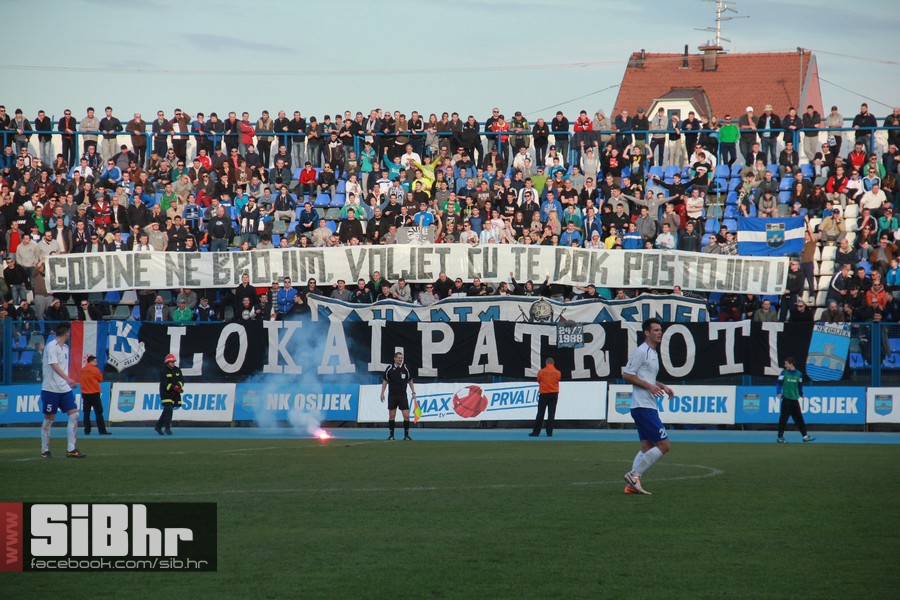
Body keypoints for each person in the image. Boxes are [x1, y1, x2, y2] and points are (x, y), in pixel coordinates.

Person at [621, 318, 674, 495]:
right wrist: (650, 387)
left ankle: (631, 486)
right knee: (664, 445)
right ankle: (634, 475)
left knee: (647, 447)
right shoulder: (641, 351)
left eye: (661, 330)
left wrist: (661, 386)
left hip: (647, 405)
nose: (660, 332)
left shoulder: (653, 352)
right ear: (647, 333)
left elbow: (647, 378)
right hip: (642, 406)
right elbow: (627, 375)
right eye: (656, 330)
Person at [40, 323, 86, 458]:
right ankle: (45, 449)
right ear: (67, 333)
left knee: (74, 415)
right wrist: (68, 379)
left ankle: (71, 449)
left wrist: (67, 381)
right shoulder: (51, 347)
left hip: (64, 389)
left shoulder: (65, 348)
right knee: (49, 419)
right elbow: (54, 365)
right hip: (51, 389)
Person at [775, 357, 816, 444]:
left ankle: (805, 436)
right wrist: (778, 392)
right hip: (786, 399)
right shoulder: (783, 372)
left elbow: (799, 385)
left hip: (794, 399)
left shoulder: (799, 374)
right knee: (783, 418)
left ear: (791, 364)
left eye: (786, 363)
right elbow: (779, 383)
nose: (785, 365)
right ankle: (780, 437)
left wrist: (801, 394)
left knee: (799, 418)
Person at [380, 351, 416, 441]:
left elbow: (410, 380)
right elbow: (385, 380)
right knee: (392, 415)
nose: (400, 359)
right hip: (392, 395)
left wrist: (413, 392)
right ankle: (391, 435)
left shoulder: (405, 368)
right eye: (399, 358)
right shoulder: (390, 368)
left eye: (401, 358)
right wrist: (382, 393)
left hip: (403, 395)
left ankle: (406, 435)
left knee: (406, 415)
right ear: (395, 358)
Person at [529, 357, 562, 437]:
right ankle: (549, 433)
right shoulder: (557, 372)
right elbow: (558, 379)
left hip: (544, 394)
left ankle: (536, 432)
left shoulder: (541, 372)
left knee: (540, 413)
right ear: (553, 363)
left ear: (546, 363)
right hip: (554, 394)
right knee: (551, 413)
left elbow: (538, 380)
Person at [79, 354, 110, 435]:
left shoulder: (82, 370)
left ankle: (87, 430)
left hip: (85, 394)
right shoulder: (95, 370)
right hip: (94, 393)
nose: (96, 363)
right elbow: (100, 379)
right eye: (95, 361)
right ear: (91, 361)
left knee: (86, 413)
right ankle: (102, 430)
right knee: (98, 412)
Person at [154, 353, 184, 436]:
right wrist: (175, 388)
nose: (173, 363)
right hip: (166, 393)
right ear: (167, 362)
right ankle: (167, 428)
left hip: (175, 393)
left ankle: (158, 426)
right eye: (171, 362)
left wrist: (179, 386)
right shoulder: (163, 371)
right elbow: (165, 384)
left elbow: (182, 380)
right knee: (169, 409)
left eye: (173, 362)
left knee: (167, 410)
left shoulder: (177, 370)